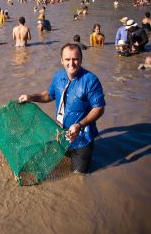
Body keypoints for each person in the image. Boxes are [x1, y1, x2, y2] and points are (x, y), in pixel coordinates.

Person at [18, 44, 105, 174]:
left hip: (82, 138)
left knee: (78, 175)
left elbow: (99, 108)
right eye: (67, 59)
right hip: (60, 135)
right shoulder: (58, 77)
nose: (72, 63)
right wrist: (30, 97)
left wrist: (79, 125)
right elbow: (48, 95)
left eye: (75, 59)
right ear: (61, 60)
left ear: (81, 60)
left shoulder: (91, 80)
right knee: (49, 166)